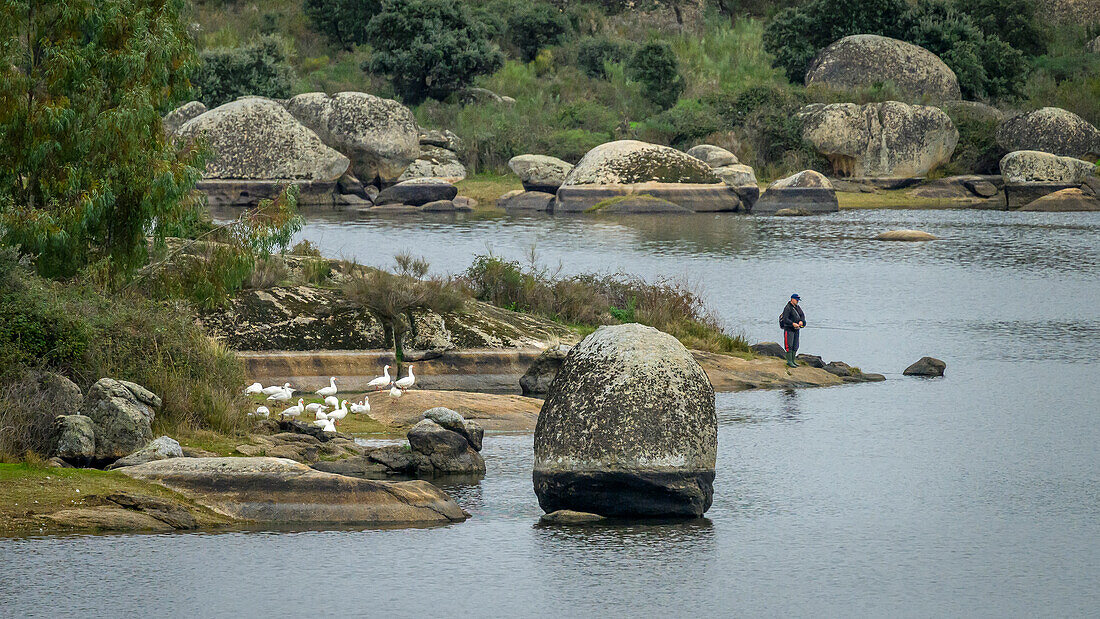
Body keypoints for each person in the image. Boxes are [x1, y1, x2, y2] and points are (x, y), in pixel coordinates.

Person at [779, 294, 805, 368]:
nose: (797, 301)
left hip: (796, 329)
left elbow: (802, 315)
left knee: (795, 345)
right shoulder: (787, 308)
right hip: (789, 329)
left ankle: (793, 360)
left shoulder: (797, 307)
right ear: (792, 299)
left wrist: (801, 321)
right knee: (789, 345)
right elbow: (785, 319)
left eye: (798, 300)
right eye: (796, 300)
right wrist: (792, 323)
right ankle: (789, 361)